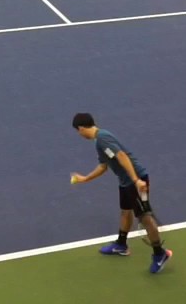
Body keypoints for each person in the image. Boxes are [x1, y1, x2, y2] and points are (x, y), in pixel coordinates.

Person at [70, 113, 172, 274]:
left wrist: (136, 180)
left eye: (78, 131)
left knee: (145, 217)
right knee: (125, 211)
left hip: (135, 180)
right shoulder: (99, 141)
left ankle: (160, 254)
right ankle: (121, 245)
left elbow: (121, 155)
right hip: (126, 182)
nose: (79, 134)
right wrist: (85, 178)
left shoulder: (102, 138)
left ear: (81, 128)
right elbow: (103, 166)